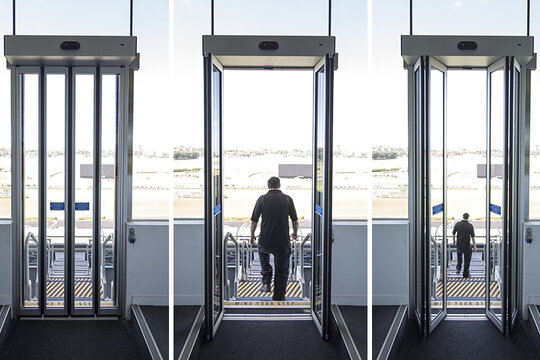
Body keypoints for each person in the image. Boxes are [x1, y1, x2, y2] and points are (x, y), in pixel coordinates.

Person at [250, 176, 299, 301]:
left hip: (266, 239)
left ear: (268, 186)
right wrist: (295, 233)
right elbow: (295, 220)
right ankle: (279, 297)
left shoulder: (262, 199)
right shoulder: (287, 199)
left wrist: (252, 235)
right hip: (282, 241)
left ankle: (266, 282)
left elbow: (254, 221)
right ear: (279, 185)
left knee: (262, 255)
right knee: (282, 270)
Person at [452, 212, 477, 278]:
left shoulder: (458, 224)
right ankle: (465, 274)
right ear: (468, 217)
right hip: (467, 245)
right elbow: (473, 237)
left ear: (463, 217)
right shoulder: (470, 226)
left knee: (459, 258)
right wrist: (475, 246)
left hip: (459, 244)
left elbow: (453, 233)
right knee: (467, 260)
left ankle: (458, 269)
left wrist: (454, 241)